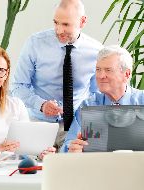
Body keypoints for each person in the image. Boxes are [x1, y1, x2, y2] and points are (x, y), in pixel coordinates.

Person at [11, 0, 102, 150]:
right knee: (33, 169)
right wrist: (41, 104)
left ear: (82, 21)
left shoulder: (96, 51)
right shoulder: (34, 44)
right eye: (56, 23)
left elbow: (96, 94)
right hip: (38, 125)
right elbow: (18, 86)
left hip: (76, 128)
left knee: (73, 171)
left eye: (66, 24)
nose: (59, 30)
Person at [61, 45, 144, 153]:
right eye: (98, 69)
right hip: (97, 166)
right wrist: (72, 148)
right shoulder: (87, 106)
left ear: (126, 74)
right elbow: (68, 144)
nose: (101, 76)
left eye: (108, 70)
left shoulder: (142, 100)